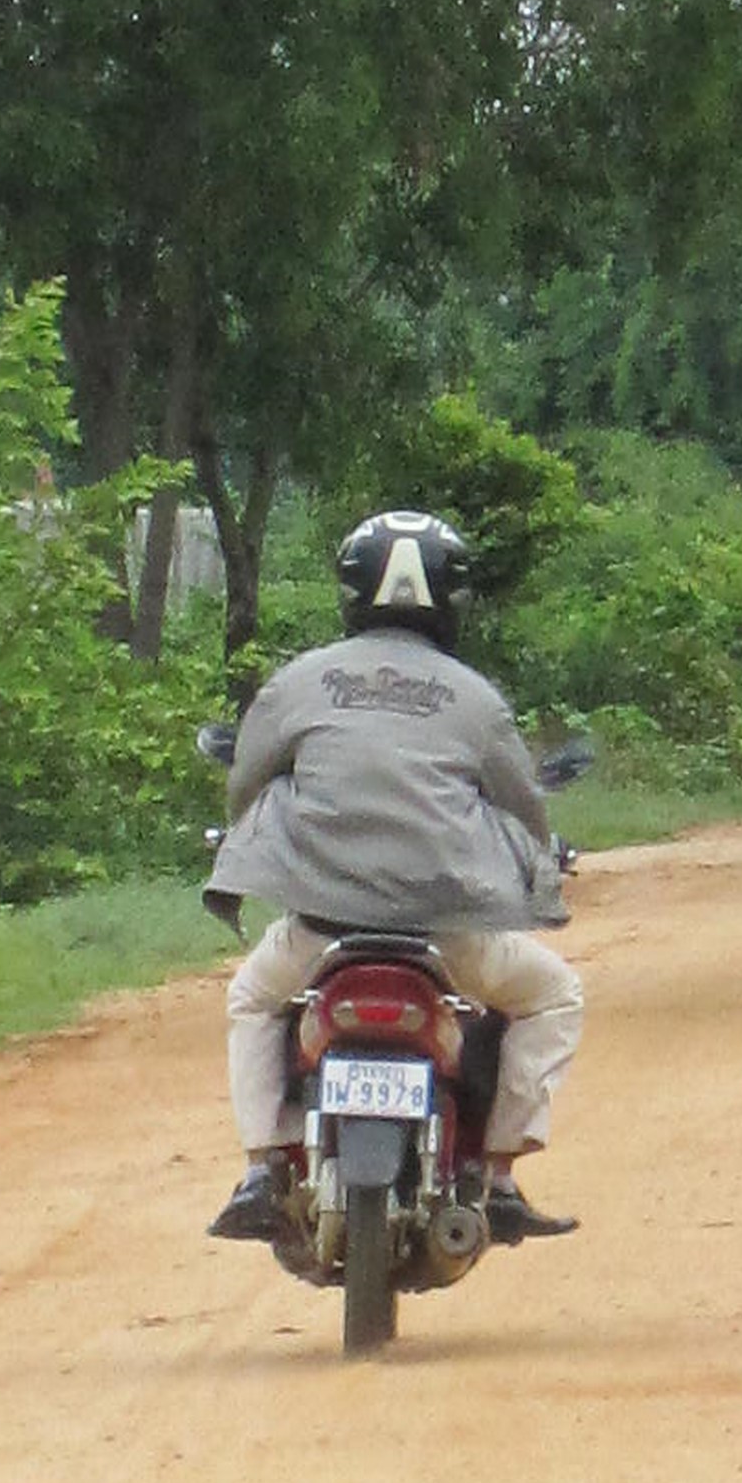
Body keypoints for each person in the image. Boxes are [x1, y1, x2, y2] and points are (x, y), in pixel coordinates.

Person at [203, 510, 586, 1242]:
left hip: (322, 930)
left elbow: (246, 783)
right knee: (554, 993)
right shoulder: (474, 699)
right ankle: (500, 1177)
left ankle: (259, 1168)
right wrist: (538, 860)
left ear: (351, 592)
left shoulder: (297, 682)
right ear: (451, 599)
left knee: (253, 998)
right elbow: (523, 807)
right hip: (448, 935)